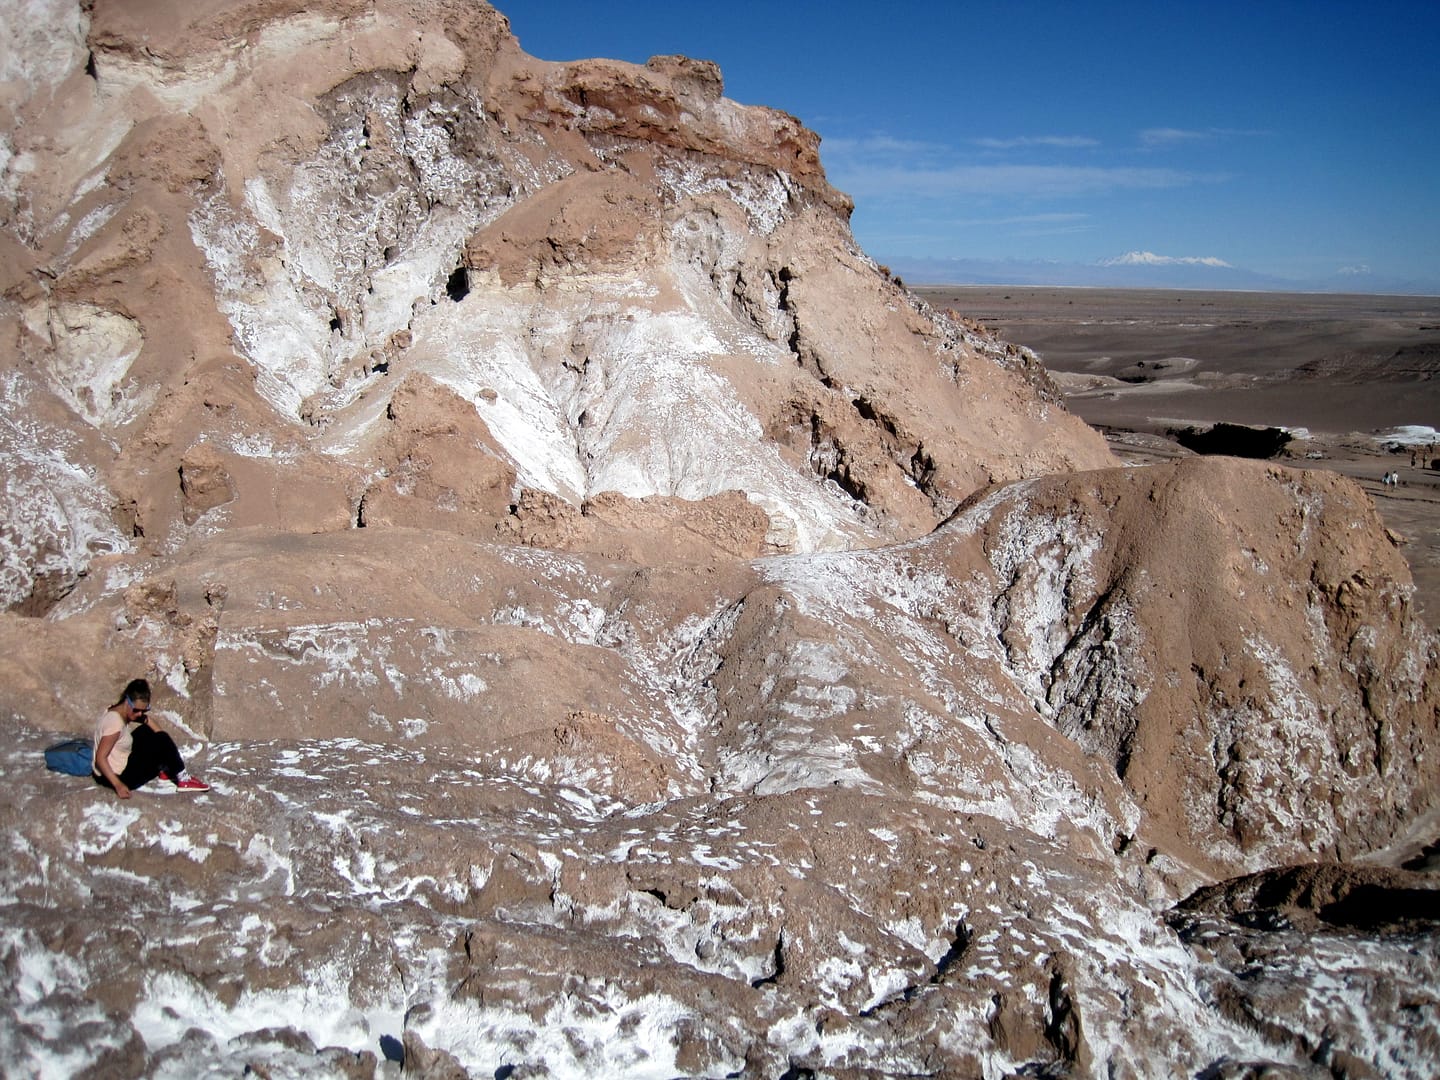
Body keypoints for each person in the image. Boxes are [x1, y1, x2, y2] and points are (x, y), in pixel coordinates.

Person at [92, 678, 209, 796]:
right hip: (119, 777)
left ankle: (167, 763)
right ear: (127, 702)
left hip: (114, 768)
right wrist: (118, 785)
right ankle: (183, 779)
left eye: (144, 711)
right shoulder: (115, 723)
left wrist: (145, 719)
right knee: (160, 739)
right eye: (137, 710)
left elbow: (158, 732)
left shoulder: (114, 710)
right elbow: (100, 758)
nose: (139, 714)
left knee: (147, 731)